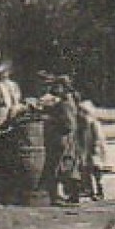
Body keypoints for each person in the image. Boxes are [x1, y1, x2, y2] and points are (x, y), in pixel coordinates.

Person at [40, 76, 81, 205]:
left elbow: (66, 124)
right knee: (69, 166)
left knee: (57, 166)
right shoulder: (72, 100)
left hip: (62, 138)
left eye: (57, 86)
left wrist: (50, 119)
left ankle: (57, 197)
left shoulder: (64, 103)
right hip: (70, 139)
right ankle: (73, 196)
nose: (54, 89)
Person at [77, 99, 109, 201]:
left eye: (82, 112)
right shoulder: (84, 125)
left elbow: (98, 139)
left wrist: (96, 149)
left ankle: (99, 191)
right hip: (88, 152)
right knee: (87, 171)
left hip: (94, 153)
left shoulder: (94, 124)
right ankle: (90, 191)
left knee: (96, 172)